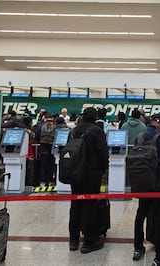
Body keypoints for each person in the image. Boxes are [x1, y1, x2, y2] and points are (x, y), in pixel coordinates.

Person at [132, 114, 160, 266]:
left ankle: (138, 248)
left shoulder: (139, 136)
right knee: (159, 220)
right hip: (159, 186)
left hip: (142, 184)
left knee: (140, 216)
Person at [68, 107, 109, 254]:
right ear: (95, 117)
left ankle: (73, 240)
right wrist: (103, 169)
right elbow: (103, 153)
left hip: (74, 173)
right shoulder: (97, 131)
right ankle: (88, 241)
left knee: (75, 204)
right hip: (91, 174)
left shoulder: (73, 131)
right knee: (89, 206)